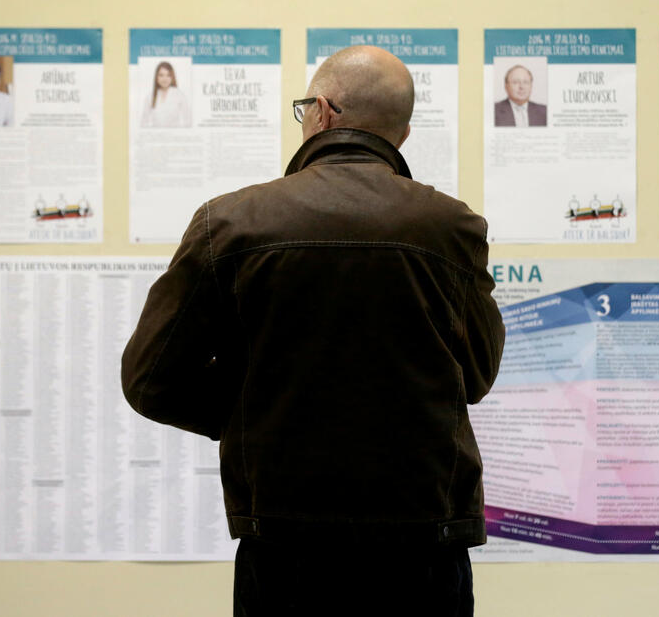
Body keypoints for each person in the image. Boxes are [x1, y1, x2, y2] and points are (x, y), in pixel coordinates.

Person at [121, 45, 505, 616]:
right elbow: (473, 376)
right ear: (400, 135)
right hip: (423, 546)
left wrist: (254, 414)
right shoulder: (452, 227)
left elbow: (150, 379)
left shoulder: (228, 223)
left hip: (283, 547)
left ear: (321, 112)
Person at [140, 61, 191, 127]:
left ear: (172, 77)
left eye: (168, 75)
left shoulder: (179, 95)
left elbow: (188, 120)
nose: (165, 79)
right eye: (161, 75)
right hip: (156, 135)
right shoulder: (150, 97)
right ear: (156, 77)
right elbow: (143, 122)